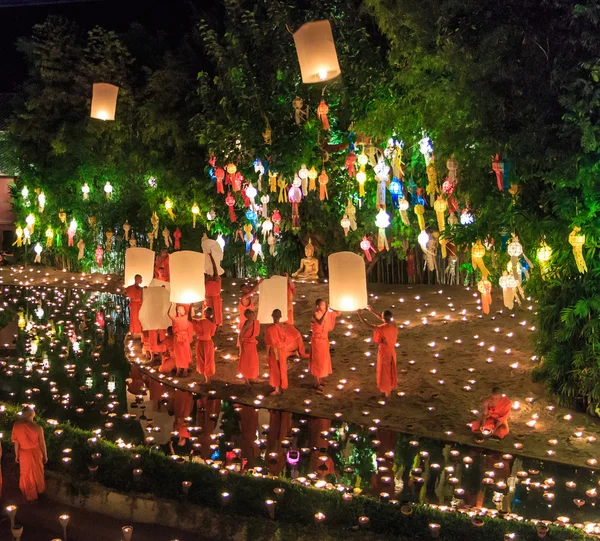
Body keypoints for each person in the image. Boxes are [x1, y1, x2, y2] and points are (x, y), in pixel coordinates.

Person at [357, 306, 398, 397]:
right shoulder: (394, 324)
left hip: (384, 352)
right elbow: (383, 318)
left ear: (383, 318)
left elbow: (367, 325)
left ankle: (387, 392)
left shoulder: (381, 328)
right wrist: (372, 311)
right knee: (390, 370)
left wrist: (360, 315)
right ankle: (388, 390)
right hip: (392, 351)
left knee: (385, 371)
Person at [12, 406, 47, 502]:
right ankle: (39, 493)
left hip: (23, 453)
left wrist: (16, 455)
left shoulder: (16, 426)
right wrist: (45, 456)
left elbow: (16, 442)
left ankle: (27, 494)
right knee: (37, 473)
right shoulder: (38, 428)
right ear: (32, 414)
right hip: (36, 452)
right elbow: (42, 444)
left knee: (25, 474)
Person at [309, 299, 340, 392]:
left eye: (325, 305)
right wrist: (327, 311)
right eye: (322, 305)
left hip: (324, 340)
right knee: (317, 360)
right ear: (317, 306)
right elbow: (321, 322)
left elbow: (338, 313)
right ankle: (316, 382)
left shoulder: (327, 313)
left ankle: (321, 379)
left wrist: (337, 303)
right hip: (317, 340)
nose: (325, 306)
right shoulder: (315, 314)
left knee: (323, 360)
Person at [264, 309, 288, 396]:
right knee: (282, 368)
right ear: (280, 316)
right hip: (282, 350)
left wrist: (267, 354)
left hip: (274, 351)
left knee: (275, 369)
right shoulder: (283, 326)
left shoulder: (269, 328)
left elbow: (268, 343)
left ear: (272, 316)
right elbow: (285, 339)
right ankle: (281, 385)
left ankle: (277, 389)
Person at [191, 306, 217, 384]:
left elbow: (189, 319)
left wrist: (190, 307)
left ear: (205, 313)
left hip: (202, 343)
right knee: (209, 360)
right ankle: (208, 377)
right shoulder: (213, 322)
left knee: (203, 360)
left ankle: (207, 379)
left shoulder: (201, 321)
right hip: (209, 342)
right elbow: (212, 333)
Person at [168, 303, 193, 377]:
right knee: (178, 353)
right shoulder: (175, 319)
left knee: (185, 353)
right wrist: (172, 304)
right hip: (177, 338)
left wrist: (191, 305)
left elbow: (191, 314)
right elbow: (169, 313)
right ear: (178, 311)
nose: (184, 311)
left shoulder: (186, 317)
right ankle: (178, 370)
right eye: (182, 310)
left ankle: (185, 370)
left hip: (184, 337)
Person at [238, 309, 260, 386]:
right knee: (246, 361)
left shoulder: (256, 322)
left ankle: (251, 376)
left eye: (252, 314)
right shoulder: (246, 324)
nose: (252, 316)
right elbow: (240, 336)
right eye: (249, 315)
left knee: (252, 361)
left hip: (252, 344)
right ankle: (246, 379)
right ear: (247, 316)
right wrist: (241, 348)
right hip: (246, 344)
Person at [237, 280, 260, 346]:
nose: (248, 288)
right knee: (243, 336)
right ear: (243, 290)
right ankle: (242, 351)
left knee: (250, 336)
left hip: (250, 319)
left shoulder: (248, 298)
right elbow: (252, 291)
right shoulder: (244, 298)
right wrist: (258, 283)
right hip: (245, 319)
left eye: (248, 287)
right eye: (246, 288)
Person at [204, 253, 223, 327]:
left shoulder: (216, 278)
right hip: (208, 298)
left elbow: (215, 268)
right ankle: (207, 326)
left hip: (216, 299)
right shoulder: (206, 280)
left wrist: (211, 257)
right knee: (207, 313)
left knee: (216, 314)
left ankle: (216, 328)